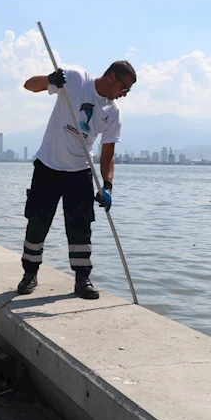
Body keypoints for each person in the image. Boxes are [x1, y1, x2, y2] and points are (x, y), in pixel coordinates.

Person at [17, 61, 136, 300]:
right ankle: (30, 274)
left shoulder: (112, 112)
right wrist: (51, 79)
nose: (124, 95)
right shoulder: (76, 79)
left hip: (80, 171)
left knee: (81, 228)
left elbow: (108, 154)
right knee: (37, 222)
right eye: (125, 88)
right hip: (48, 167)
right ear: (112, 77)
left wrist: (108, 185)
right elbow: (30, 85)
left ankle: (82, 279)